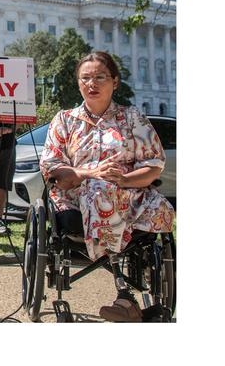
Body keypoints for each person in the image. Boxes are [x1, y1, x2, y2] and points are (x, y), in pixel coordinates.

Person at [40, 51, 175, 322]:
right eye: (85, 78)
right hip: (77, 196)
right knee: (98, 191)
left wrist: (125, 179)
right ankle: (124, 295)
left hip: (130, 194)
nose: (92, 84)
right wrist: (91, 173)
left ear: (115, 81)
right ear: (78, 83)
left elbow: (154, 164)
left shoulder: (132, 117)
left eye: (100, 77)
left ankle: (131, 296)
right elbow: (52, 168)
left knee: (155, 203)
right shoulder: (65, 120)